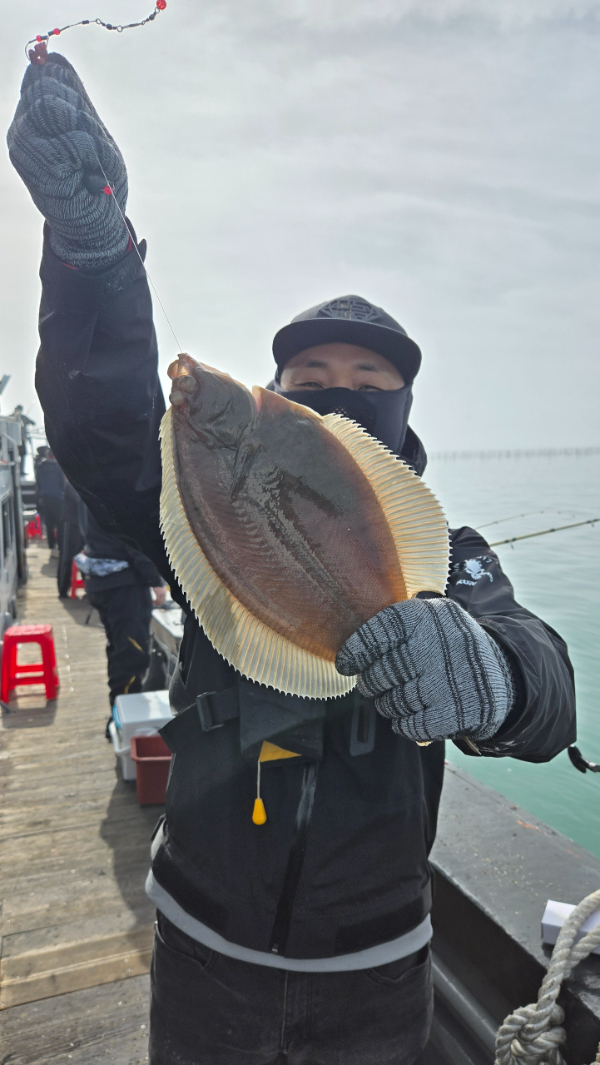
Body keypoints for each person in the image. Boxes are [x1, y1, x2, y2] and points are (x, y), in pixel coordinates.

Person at [8, 52, 576, 1065]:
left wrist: (493, 673)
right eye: (309, 379)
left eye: (367, 380)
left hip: (377, 969)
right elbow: (102, 430)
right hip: (202, 946)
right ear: (275, 400)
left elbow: (545, 684)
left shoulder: (447, 560)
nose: (338, 391)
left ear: (401, 415)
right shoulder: (200, 517)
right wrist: (97, 259)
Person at [75, 507, 166, 732]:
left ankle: (118, 714)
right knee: (130, 655)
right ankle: (122, 724)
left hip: (99, 581)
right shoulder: (119, 491)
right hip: (124, 587)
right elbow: (133, 540)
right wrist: (156, 581)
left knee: (118, 650)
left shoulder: (89, 489)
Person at [34, 448, 65, 555]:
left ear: (47, 455)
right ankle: (61, 546)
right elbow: (62, 483)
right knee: (60, 523)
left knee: (49, 524)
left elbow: (38, 482)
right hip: (58, 498)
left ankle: (51, 547)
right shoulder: (59, 467)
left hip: (44, 497)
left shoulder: (40, 466)